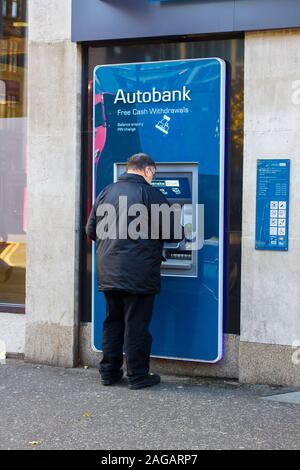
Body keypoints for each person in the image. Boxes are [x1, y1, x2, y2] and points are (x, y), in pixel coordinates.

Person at [86, 153, 183, 390]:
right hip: (139, 273)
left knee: (113, 321)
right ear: (148, 171)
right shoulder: (152, 194)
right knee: (136, 324)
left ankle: (109, 373)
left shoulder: (106, 192)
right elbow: (175, 234)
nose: (153, 177)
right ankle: (138, 376)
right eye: (153, 174)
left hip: (108, 271)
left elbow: (90, 230)